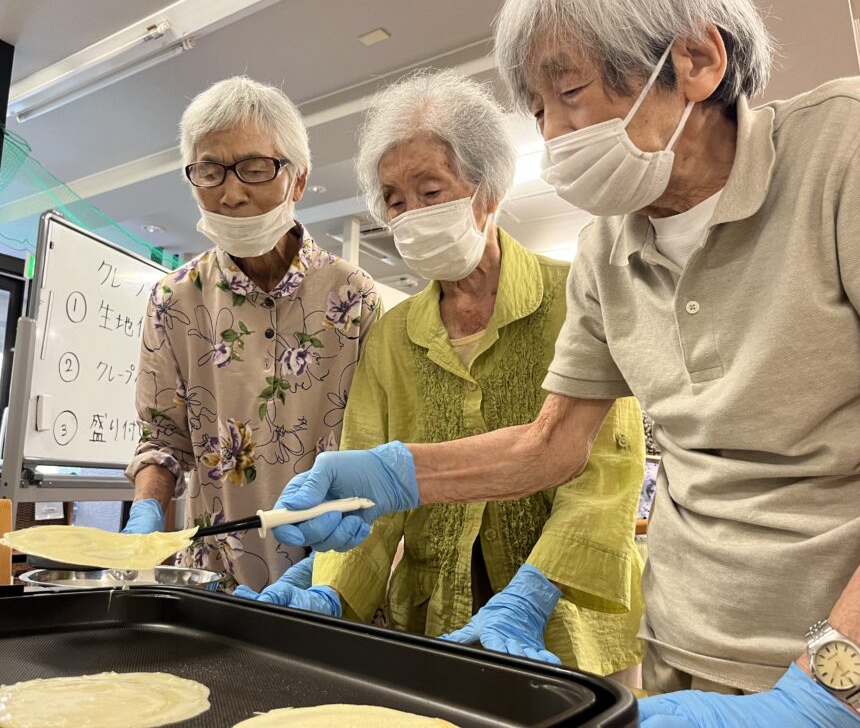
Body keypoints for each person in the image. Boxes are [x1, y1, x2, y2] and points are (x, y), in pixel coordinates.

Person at [267, 0, 860, 720]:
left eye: (571, 92)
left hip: (837, 659)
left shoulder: (849, 149)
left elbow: (607, 475)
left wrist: (835, 690)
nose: (552, 136)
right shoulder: (607, 251)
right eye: (538, 110)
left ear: (696, 60)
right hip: (682, 644)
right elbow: (551, 446)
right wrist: (393, 474)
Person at [238, 71, 647, 682]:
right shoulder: (393, 337)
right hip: (432, 619)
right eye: (395, 201)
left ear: (487, 192)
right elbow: (366, 486)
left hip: (566, 621)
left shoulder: (578, 297)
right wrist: (334, 592)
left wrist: (533, 590)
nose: (409, 216)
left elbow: (606, 475)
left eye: (430, 192)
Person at [122, 76, 379, 592]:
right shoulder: (177, 299)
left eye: (255, 169)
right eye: (210, 171)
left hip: (333, 567)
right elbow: (162, 439)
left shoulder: (353, 297)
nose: (231, 194)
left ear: (298, 180)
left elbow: (375, 446)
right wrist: (147, 511)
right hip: (218, 573)